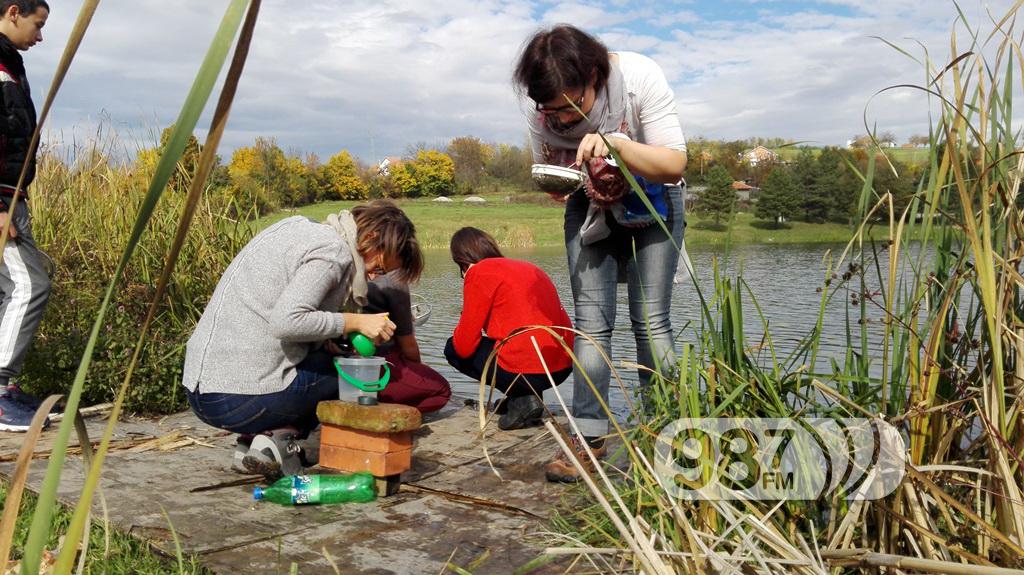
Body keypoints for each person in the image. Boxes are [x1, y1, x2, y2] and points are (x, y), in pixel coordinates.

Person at [513, 25, 687, 482]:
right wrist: (558, 181)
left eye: (571, 106)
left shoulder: (638, 78)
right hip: (587, 202)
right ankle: (589, 439)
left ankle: (666, 436)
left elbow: (674, 165)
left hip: (654, 197)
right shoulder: (542, 106)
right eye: (550, 110)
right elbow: (550, 165)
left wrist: (617, 146)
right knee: (590, 325)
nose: (560, 120)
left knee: (651, 321)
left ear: (594, 76)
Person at [181, 200, 423, 478]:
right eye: (377, 268)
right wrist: (355, 321)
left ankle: (249, 445)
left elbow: (276, 316)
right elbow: (286, 322)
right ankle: (276, 441)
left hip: (201, 392)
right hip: (236, 399)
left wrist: (329, 337)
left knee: (326, 360)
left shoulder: (298, 229)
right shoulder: (333, 251)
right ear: (370, 238)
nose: (371, 277)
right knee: (346, 374)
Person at [444, 227, 574, 430]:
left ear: (462, 260)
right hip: (561, 368)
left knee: (452, 349)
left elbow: (464, 346)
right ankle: (520, 398)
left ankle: (524, 399)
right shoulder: (529, 267)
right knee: (516, 343)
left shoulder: (479, 272)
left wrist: (466, 313)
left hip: (527, 372)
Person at [0, 0, 50, 432]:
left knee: (6, 291)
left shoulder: (11, 65)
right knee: (29, 285)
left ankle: (6, 389)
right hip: (2, 200)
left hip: (12, 195)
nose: (40, 35)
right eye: (38, 24)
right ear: (13, 12)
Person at [364, 271, 451, 413]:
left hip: (347, 364)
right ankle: (388, 412)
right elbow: (408, 346)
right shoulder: (394, 281)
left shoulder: (353, 281)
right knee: (443, 391)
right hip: (381, 365)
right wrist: (418, 369)